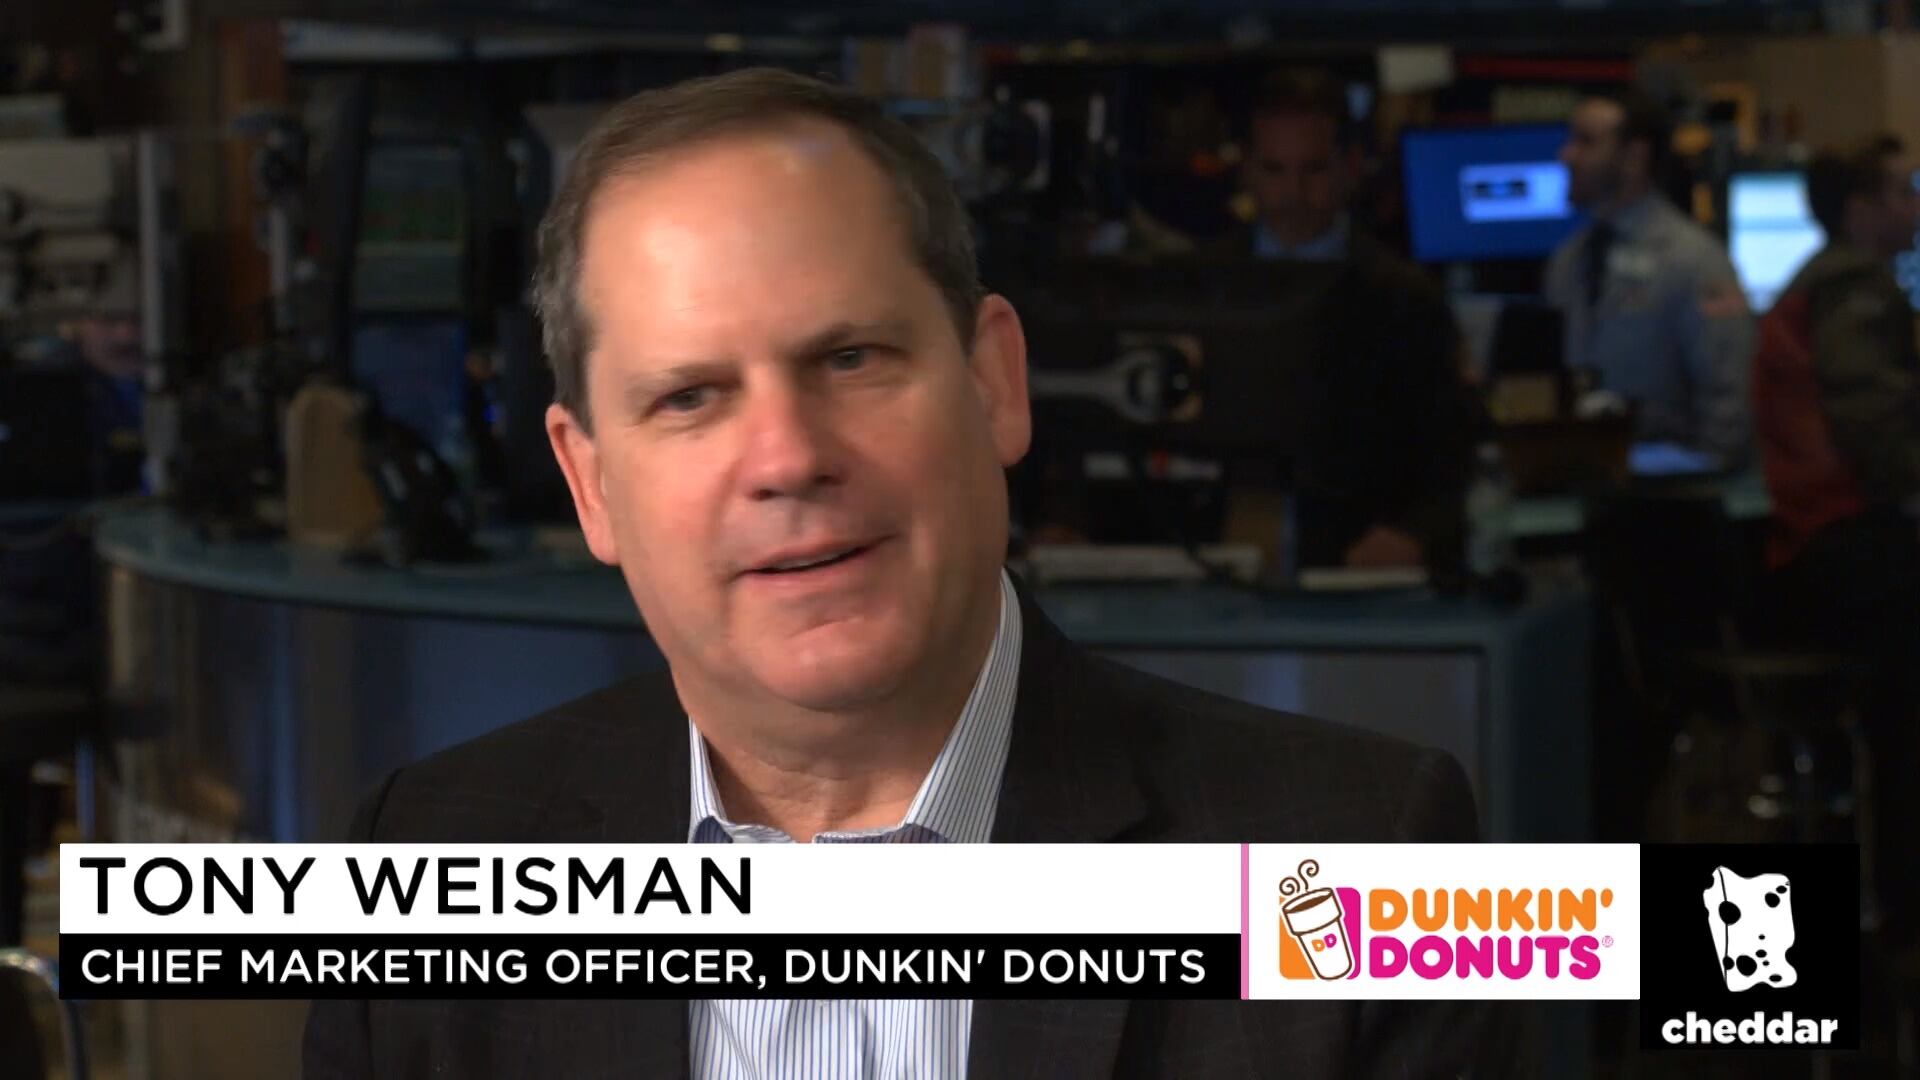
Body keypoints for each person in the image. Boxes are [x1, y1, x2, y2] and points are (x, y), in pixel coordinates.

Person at [303, 68, 1519, 1078]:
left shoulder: (1365, 863)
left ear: (994, 383)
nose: (786, 458)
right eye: (690, 398)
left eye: (850, 357)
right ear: (592, 483)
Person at [1752, 134, 1920, 946]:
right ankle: (1902, 908)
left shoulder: (1819, 281)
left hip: (1810, 552)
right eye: (1902, 192)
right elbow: (1873, 425)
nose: (1914, 208)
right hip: (1848, 549)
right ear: (1859, 210)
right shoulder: (1854, 288)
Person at [1217, 68, 1479, 571]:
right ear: (1247, 171)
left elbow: (1452, 453)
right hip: (1215, 558)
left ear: (1349, 168)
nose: (1293, 191)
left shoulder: (1405, 297)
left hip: (1359, 563)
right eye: (1274, 170)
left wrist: (1413, 535)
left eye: (1313, 169)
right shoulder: (1202, 284)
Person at [1545, 88, 1755, 467]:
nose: (1567, 156)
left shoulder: (1694, 261)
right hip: (1582, 476)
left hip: (1675, 486)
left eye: (1586, 142)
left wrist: (1705, 481)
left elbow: (1730, 399)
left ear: (1634, 156)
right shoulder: (1568, 261)